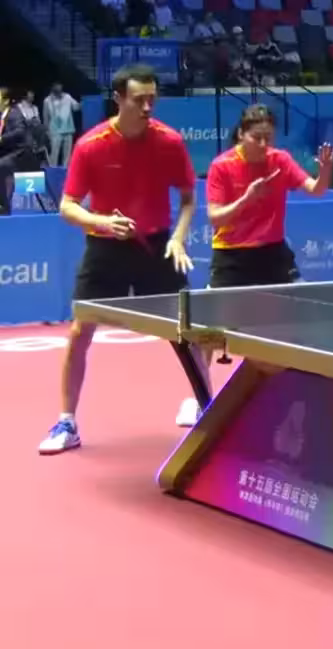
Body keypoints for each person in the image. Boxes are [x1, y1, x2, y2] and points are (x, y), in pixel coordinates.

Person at [38, 64, 199, 455]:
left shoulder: (170, 141)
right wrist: (102, 222)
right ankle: (67, 422)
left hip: (156, 246)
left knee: (187, 330)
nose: (147, 107)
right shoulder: (91, 145)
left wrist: (179, 238)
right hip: (105, 247)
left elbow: (188, 198)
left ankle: (205, 406)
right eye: (139, 99)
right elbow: (68, 206)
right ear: (118, 99)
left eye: (152, 99)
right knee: (80, 331)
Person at [205, 103, 333, 290]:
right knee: (218, 309)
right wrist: (246, 199)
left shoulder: (280, 160)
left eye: (268, 138)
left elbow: (317, 190)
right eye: (256, 137)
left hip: (272, 252)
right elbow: (215, 218)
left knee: (298, 302)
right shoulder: (222, 166)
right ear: (241, 134)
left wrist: (325, 170)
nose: (263, 144)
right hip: (232, 255)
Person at [0, 87, 30, 215]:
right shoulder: (1, 116)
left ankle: (5, 206)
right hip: (7, 153)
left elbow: (20, 131)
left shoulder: (14, 114)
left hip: (20, 153)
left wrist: (2, 138)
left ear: (6, 101)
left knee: (2, 165)